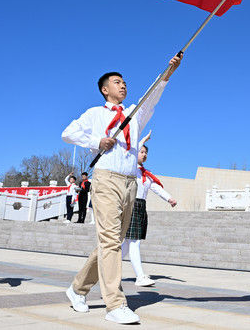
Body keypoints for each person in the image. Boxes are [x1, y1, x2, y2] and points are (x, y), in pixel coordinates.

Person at [61, 54, 181, 325]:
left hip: (130, 183)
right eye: (117, 82)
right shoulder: (95, 114)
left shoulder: (133, 114)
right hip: (106, 179)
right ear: (105, 89)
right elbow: (67, 133)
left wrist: (168, 72)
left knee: (112, 242)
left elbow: (152, 97)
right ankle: (115, 304)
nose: (123, 85)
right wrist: (97, 141)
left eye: (124, 82)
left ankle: (77, 289)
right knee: (111, 242)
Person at [122, 131, 177, 287]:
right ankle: (140, 276)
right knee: (134, 242)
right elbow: (132, 151)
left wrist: (169, 198)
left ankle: (105, 269)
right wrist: (144, 139)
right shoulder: (131, 168)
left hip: (140, 207)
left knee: (127, 245)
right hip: (131, 205)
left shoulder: (146, 175)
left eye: (146, 152)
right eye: (142, 151)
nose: (144, 154)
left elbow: (156, 188)